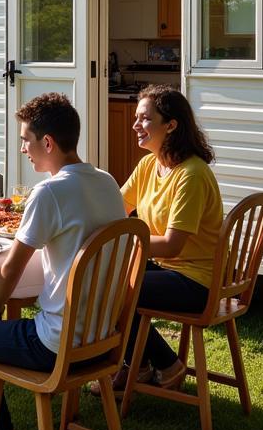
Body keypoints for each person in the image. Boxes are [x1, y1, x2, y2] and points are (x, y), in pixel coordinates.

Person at [0, 93, 125, 430]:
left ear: (48, 143)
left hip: (57, 344)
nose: (23, 148)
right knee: (4, 323)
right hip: (102, 338)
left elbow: (11, 269)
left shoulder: (50, 192)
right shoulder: (107, 182)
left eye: (26, 140)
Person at [96, 84, 224, 395]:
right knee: (99, 279)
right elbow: (115, 209)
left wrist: (121, 242)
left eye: (144, 119)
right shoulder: (150, 165)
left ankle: (165, 364)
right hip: (168, 269)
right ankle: (138, 365)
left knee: (113, 290)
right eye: (137, 118)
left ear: (170, 125)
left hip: (197, 280)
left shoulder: (190, 174)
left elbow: (172, 244)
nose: (135, 125)